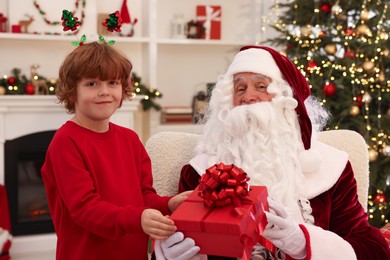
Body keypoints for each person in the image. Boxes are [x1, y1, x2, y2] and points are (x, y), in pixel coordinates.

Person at [176, 46, 390, 259]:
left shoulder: (332, 167)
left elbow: (373, 249)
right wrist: (167, 255)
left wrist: (304, 242)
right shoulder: (200, 172)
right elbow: (181, 238)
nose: (248, 97)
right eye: (240, 89)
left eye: (261, 86)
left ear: (288, 101)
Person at [41, 42, 200, 260]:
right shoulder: (65, 142)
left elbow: (143, 197)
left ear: (123, 88)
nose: (104, 92)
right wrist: (138, 219)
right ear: (71, 92)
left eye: (113, 82)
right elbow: (85, 209)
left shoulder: (130, 139)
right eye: (92, 83)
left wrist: (169, 204)